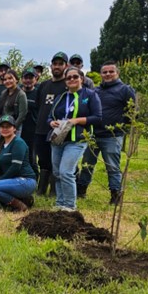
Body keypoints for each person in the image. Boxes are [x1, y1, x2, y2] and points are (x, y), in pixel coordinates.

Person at [77, 61, 136, 204]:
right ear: (101, 74)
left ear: (117, 73)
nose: (108, 74)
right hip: (93, 135)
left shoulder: (125, 90)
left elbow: (133, 112)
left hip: (112, 136)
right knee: (86, 165)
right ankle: (81, 192)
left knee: (112, 167)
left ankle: (115, 196)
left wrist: (121, 128)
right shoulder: (96, 91)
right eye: (105, 72)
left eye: (111, 71)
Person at [48, 67, 102, 211]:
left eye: (75, 77)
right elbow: (50, 115)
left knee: (66, 172)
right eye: (68, 78)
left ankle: (70, 206)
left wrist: (76, 120)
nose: (71, 79)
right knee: (57, 173)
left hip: (77, 140)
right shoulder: (61, 97)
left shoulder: (90, 95)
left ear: (81, 79)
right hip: (58, 139)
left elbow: (97, 118)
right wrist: (51, 122)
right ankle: (60, 203)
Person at [0, 115, 37, 212]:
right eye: (2, 127)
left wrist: (0, 181)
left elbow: (15, 167)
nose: (5, 129)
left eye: (8, 126)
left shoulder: (18, 143)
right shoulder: (1, 144)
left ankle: (20, 206)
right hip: (13, 180)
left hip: (26, 180)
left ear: (14, 128)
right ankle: (22, 200)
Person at [35, 52, 69, 196]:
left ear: (66, 66)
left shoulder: (67, 85)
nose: (57, 66)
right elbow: (38, 105)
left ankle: (54, 191)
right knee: (42, 160)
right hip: (41, 129)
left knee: (56, 161)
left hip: (58, 130)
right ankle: (41, 189)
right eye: (54, 63)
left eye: (60, 64)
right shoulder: (43, 85)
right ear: (51, 66)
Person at [0, 69, 28, 139]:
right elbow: (0, 110)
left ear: (16, 79)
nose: (7, 81)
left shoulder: (21, 94)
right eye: (5, 79)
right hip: (2, 124)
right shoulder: (3, 93)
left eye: (10, 78)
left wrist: (14, 127)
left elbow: (22, 114)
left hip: (14, 127)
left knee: (12, 147)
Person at [20, 69, 40, 175]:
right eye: (25, 78)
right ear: (22, 79)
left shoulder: (38, 93)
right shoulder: (17, 92)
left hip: (33, 129)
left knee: (32, 156)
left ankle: (35, 177)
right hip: (18, 129)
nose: (28, 80)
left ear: (35, 79)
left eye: (30, 78)